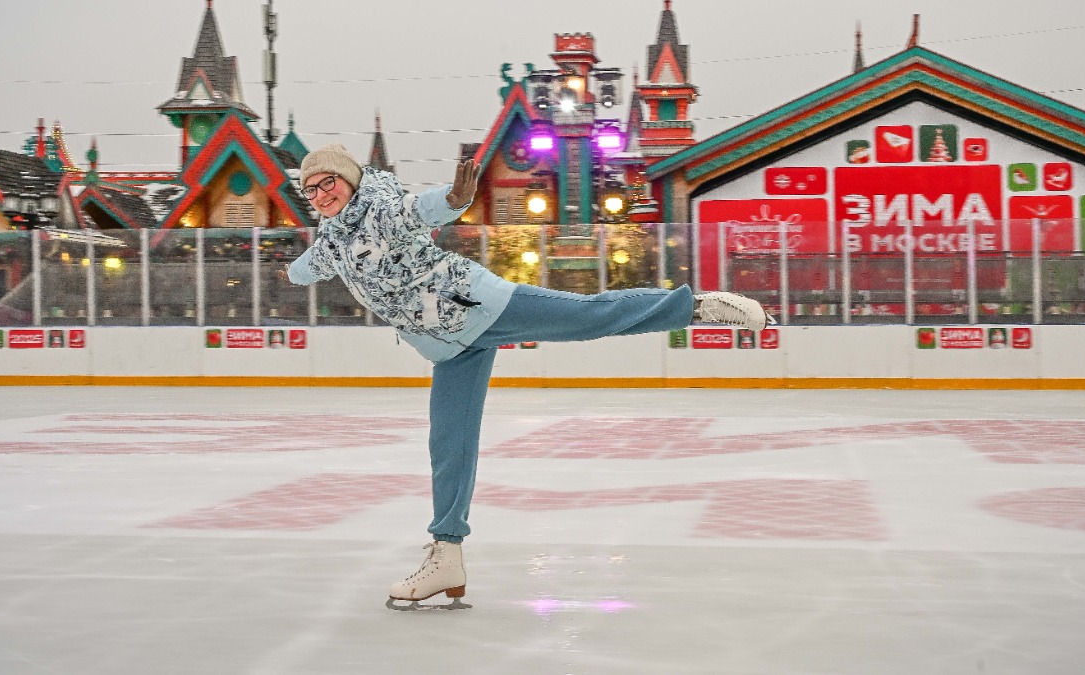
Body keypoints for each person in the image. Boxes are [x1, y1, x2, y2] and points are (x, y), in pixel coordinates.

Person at [280, 144, 770, 609]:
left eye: (330, 183)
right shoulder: (334, 239)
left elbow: (420, 210)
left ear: (351, 179)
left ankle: (699, 307)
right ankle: (446, 554)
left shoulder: (379, 209)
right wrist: (286, 273)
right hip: (449, 346)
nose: (323, 194)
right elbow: (308, 266)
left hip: (478, 305)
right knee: (448, 445)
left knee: (589, 316)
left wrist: (452, 200)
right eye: (313, 189)